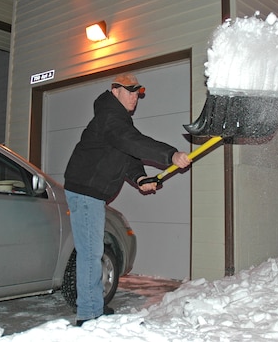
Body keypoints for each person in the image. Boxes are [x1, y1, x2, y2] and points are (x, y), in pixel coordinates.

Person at [64, 73, 192, 326]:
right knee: (91, 253)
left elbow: (127, 154)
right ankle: (89, 314)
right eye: (130, 91)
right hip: (86, 192)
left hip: (90, 192)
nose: (135, 97)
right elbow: (129, 141)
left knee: (92, 251)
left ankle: (93, 307)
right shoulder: (110, 118)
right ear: (115, 91)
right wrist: (170, 154)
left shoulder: (117, 120)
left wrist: (141, 179)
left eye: (137, 93)